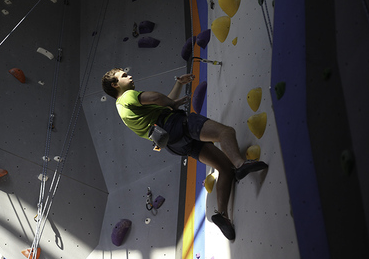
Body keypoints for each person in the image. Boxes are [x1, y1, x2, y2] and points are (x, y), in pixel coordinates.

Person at [101, 68, 268, 240]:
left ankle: (222, 214)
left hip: (173, 143)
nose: (130, 76)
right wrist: (173, 105)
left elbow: (165, 103)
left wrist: (179, 84)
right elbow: (157, 98)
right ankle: (241, 164)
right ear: (115, 85)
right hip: (177, 124)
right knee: (225, 133)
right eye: (124, 76)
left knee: (225, 168)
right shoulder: (127, 96)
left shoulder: (123, 111)